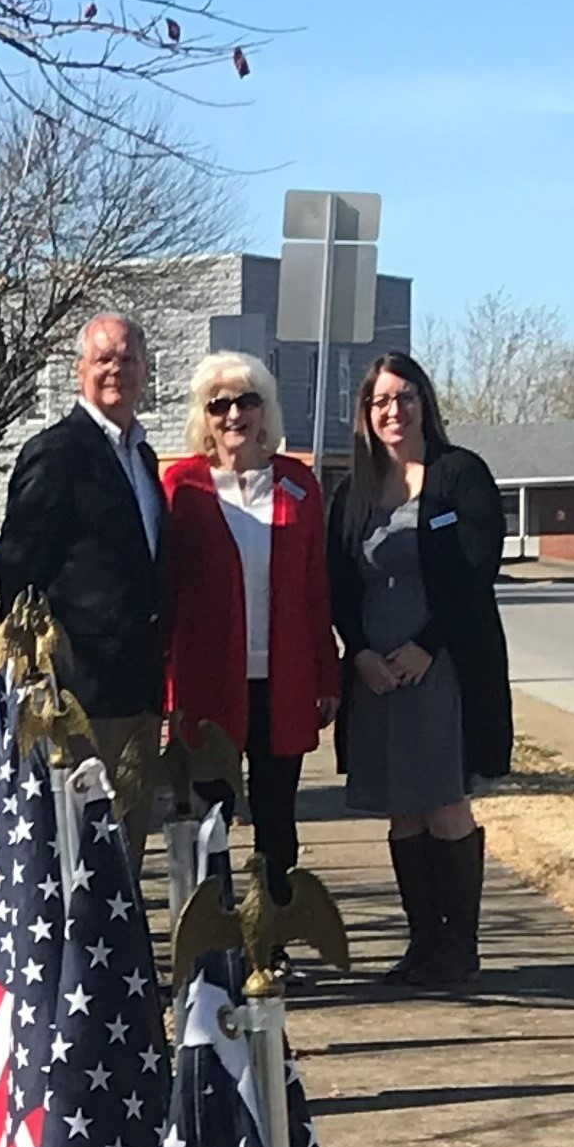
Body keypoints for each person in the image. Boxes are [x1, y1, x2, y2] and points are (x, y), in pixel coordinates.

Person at [327, 351, 511, 988]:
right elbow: (338, 584)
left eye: (404, 397)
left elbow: (474, 568)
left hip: (443, 667)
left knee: (444, 803)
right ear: (365, 414)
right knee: (401, 809)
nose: (393, 410)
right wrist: (361, 653)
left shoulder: (460, 476)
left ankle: (460, 947)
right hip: (377, 675)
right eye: (380, 401)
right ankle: (421, 944)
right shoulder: (353, 491)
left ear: (424, 403)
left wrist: (427, 646)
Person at [159, 351, 338, 911]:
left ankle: (273, 929)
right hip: (206, 683)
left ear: (266, 410)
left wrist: (326, 673)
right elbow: (168, 592)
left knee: (277, 813)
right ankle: (212, 935)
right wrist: (167, 689)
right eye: (220, 404)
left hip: (282, 677)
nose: (234, 414)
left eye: (247, 400)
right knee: (209, 810)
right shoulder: (181, 488)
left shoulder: (297, 484)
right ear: (204, 415)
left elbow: (316, 588)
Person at [0, 309, 168, 831]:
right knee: (83, 855)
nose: (117, 369)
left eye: (128, 359)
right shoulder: (56, 454)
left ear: (145, 371)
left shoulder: (144, 459)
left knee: (127, 851)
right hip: (81, 697)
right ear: (79, 370)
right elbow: (17, 573)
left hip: (138, 691)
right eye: (104, 358)